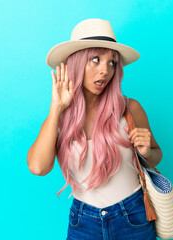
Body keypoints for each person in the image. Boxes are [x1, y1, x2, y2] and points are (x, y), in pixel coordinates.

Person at [27, 18, 163, 240]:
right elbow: (38, 167)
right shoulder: (58, 118)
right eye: (96, 60)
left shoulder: (130, 109)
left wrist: (147, 152)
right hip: (84, 221)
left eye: (112, 63)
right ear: (78, 63)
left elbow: (156, 156)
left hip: (133, 216)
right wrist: (56, 108)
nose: (105, 71)